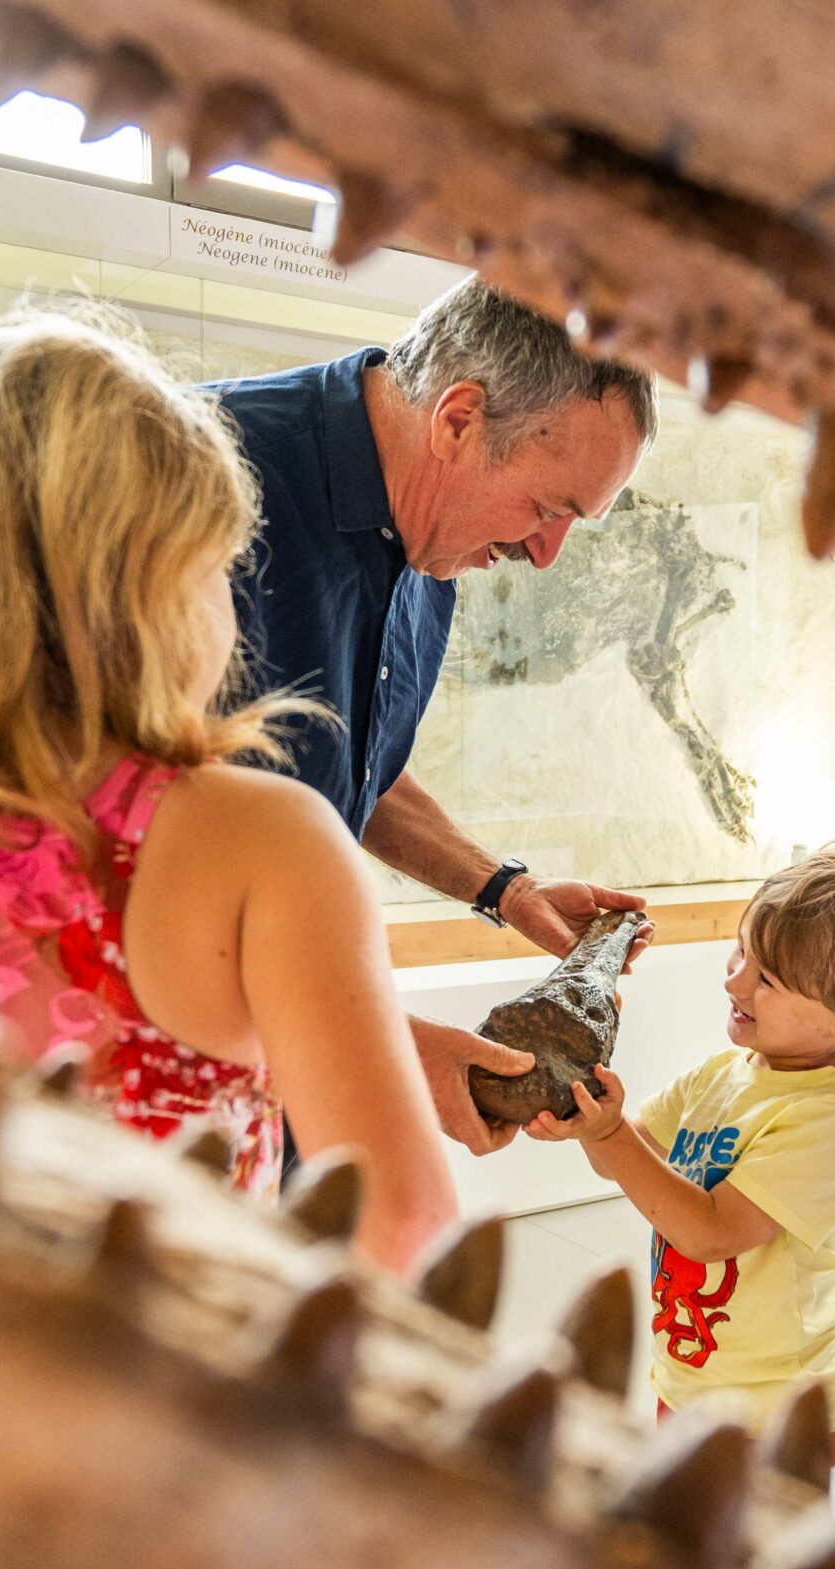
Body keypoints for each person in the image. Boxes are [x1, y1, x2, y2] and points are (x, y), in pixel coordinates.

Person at [0, 304, 458, 1274]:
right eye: (215, 565)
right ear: (149, 587)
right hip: (152, 1408)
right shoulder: (262, 842)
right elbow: (401, 1224)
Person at [210, 276, 658, 1154]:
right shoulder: (200, 484)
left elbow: (345, 764)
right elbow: (99, 857)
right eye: (546, 508)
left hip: (284, 1114)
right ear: (457, 420)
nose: (544, 554)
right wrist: (385, 1052)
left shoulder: (435, 549)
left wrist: (504, 888)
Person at [528, 842, 835, 1459]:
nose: (734, 978)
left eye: (768, 980)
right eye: (741, 950)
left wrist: (609, 1134)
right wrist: (585, 1112)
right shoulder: (721, 1073)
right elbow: (619, 1161)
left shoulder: (822, 1121)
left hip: (782, 1421)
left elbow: (709, 1233)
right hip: (686, 1387)